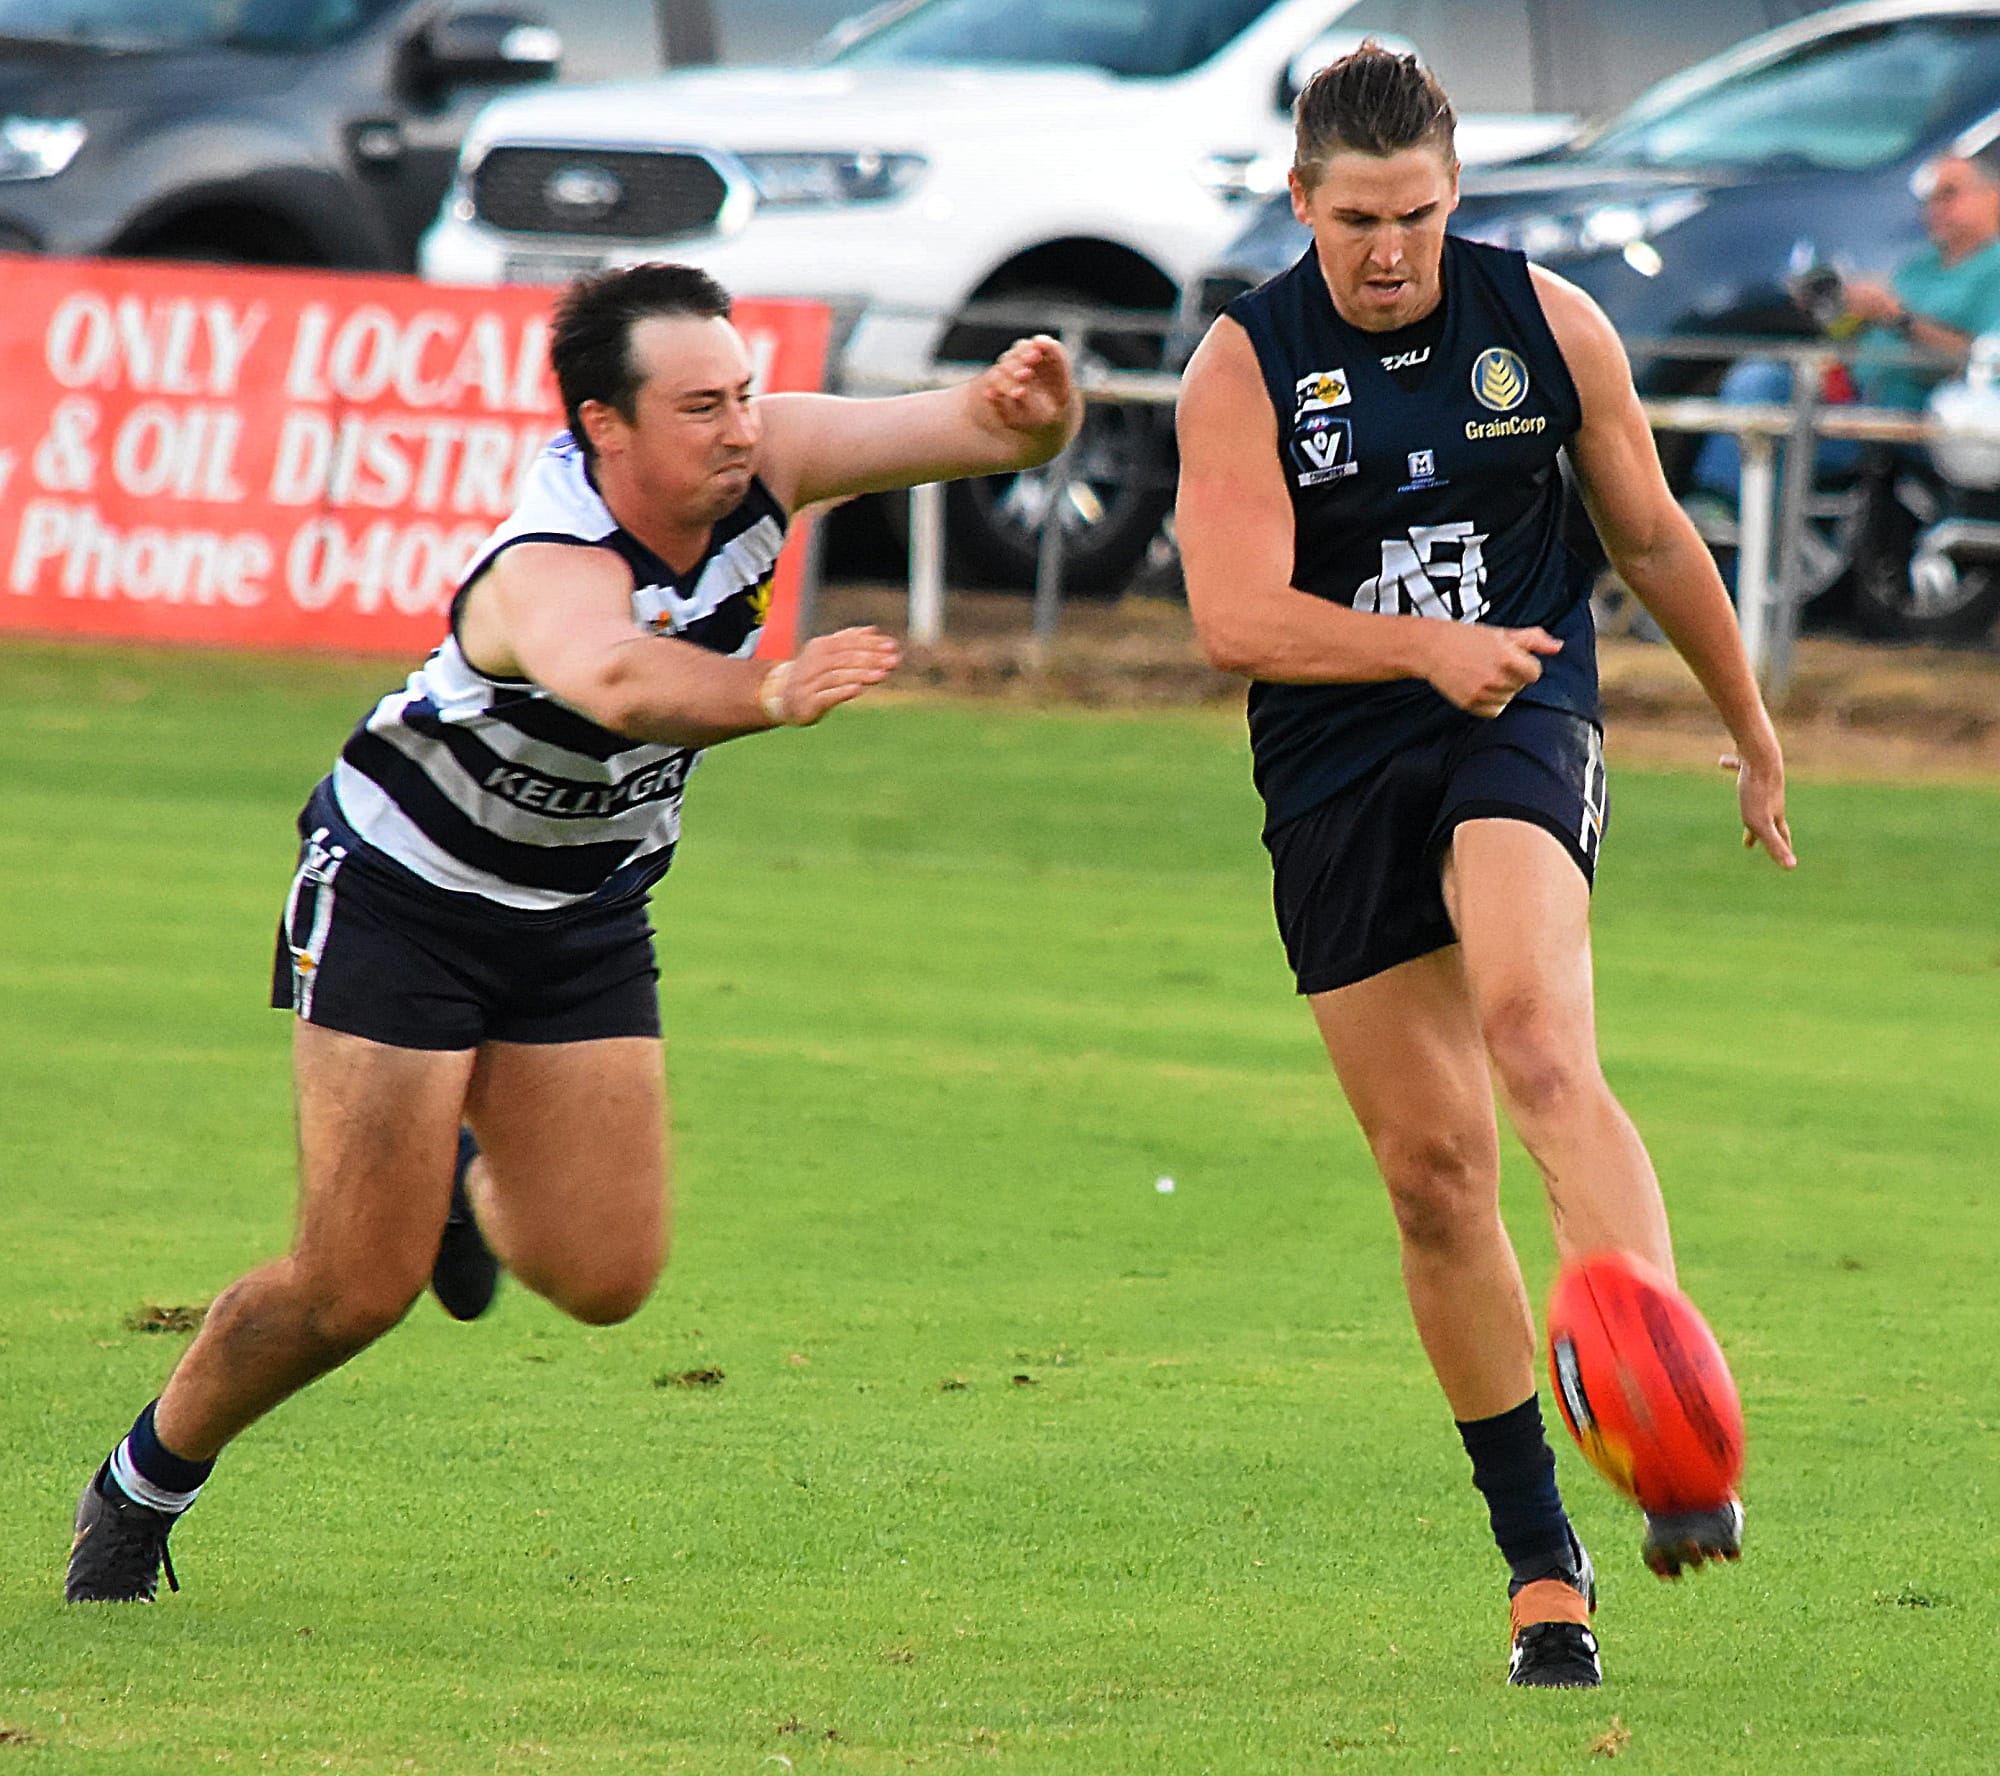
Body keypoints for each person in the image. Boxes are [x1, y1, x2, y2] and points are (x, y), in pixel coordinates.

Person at [65, 263, 1081, 1605]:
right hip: (403, 897)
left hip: (582, 912)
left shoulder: (768, 456)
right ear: (605, 424)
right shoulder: (547, 560)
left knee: (604, 1277)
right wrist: (767, 690)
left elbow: (984, 433)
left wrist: (1033, 414)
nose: (739, 427)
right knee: (351, 1288)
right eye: (700, 406)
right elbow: (612, 675)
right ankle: (142, 1488)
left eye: (744, 394)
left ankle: (457, 1161)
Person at [1174, 45, 1793, 1689]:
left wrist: (1749, 728)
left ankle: (1673, 1438)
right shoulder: (1244, 365)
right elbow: (1232, 618)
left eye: (1419, 217)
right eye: (1357, 220)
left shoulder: (1548, 324)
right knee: (1434, 1176)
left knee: (1536, 1038)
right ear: (1301, 203)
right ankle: (1540, 1563)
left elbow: (1650, 534)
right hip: (1334, 763)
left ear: (1456, 197)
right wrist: (1416, 647)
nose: (1390, 252)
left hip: (1520, 711)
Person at [1692, 150, 2000, 500]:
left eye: (1949, 194)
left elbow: (1982, 359)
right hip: (1854, 396)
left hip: (1925, 420)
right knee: (1758, 377)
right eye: (1929, 199)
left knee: (1771, 410)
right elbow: (1865, 331)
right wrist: (1836, 308)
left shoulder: (1993, 268)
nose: (1936, 209)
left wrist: (1898, 317)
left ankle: (1735, 508)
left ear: (1993, 195)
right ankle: (1722, 505)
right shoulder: (1921, 265)